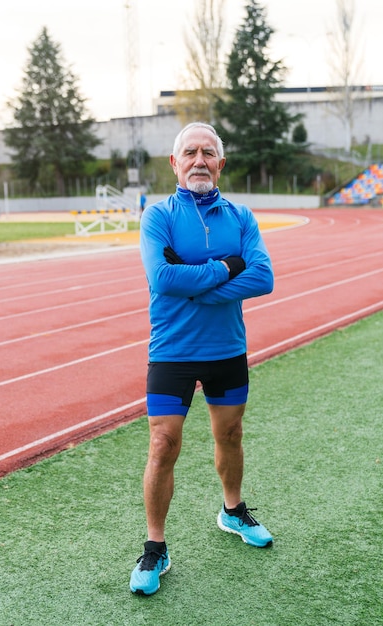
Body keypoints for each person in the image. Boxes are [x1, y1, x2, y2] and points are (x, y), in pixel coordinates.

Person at [129, 122, 274, 596]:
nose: (199, 160)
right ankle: (155, 547)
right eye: (189, 152)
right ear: (174, 163)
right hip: (171, 352)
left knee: (229, 435)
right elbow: (162, 280)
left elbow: (264, 278)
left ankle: (232, 511)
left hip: (227, 349)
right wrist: (227, 268)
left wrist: (198, 285)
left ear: (220, 163)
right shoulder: (158, 216)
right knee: (162, 445)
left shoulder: (242, 216)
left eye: (208, 153)